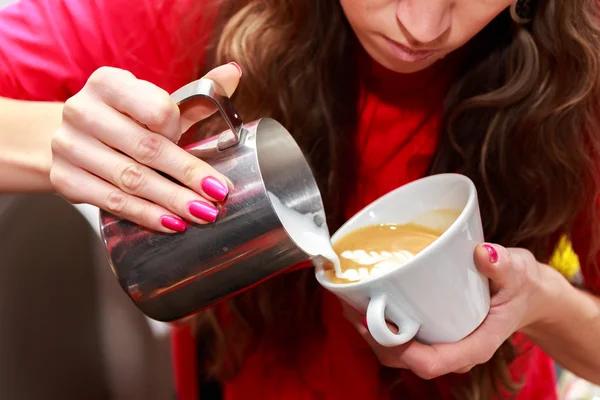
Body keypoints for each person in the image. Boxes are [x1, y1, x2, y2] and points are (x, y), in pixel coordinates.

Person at [1, 0, 599, 399]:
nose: (422, 25)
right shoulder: (193, 12)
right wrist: (59, 140)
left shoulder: (579, 81)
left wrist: (541, 304)